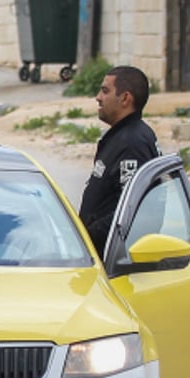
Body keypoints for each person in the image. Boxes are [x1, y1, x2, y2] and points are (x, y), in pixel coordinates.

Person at [78, 64, 161, 253]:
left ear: (125, 98)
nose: (98, 98)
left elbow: (130, 211)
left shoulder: (133, 143)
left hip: (114, 259)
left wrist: (85, 239)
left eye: (105, 91)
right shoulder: (122, 136)